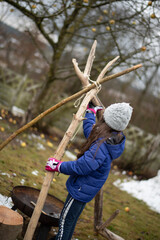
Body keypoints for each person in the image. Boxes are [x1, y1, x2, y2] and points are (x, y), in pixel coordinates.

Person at [45, 102, 133, 240]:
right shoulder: (111, 137)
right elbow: (90, 132)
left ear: (107, 121)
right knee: (70, 220)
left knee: (65, 221)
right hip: (85, 188)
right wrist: (90, 112)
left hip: (82, 189)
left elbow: (82, 166)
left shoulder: (102, 147)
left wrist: (58, 166)